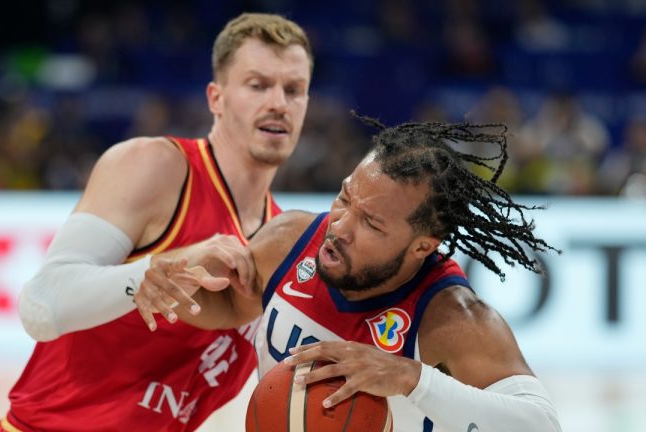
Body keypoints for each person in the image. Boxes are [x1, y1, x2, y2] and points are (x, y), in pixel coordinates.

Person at [136, 116, 563, 431]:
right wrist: (167, 283)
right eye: (345, 198)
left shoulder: (452, 320)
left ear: (423, 246)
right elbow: (229, 303)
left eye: (372, 224)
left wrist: (411, 378)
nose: (339, 226)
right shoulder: (292, 240)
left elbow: (542, 424)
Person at [0, 13, 313, 432]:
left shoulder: (278, 245)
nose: (278, 102)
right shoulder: (155, 167)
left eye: (294, 90)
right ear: (215, 98)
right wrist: (151, 273)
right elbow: (41, 306)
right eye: (258, 85)